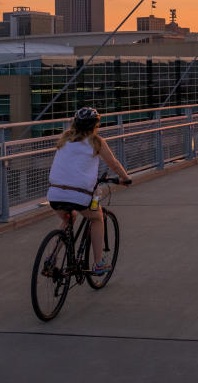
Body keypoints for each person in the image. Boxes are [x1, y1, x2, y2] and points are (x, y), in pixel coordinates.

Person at [46, 107, 132, 274]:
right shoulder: (96, 142)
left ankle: (51, 258)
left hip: (55, 193)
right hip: (80, 195)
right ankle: (99, 263)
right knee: (97, 218)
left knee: (68, 219)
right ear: (95, 126)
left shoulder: (64, 139)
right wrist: (126, 178)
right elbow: (113, 164)